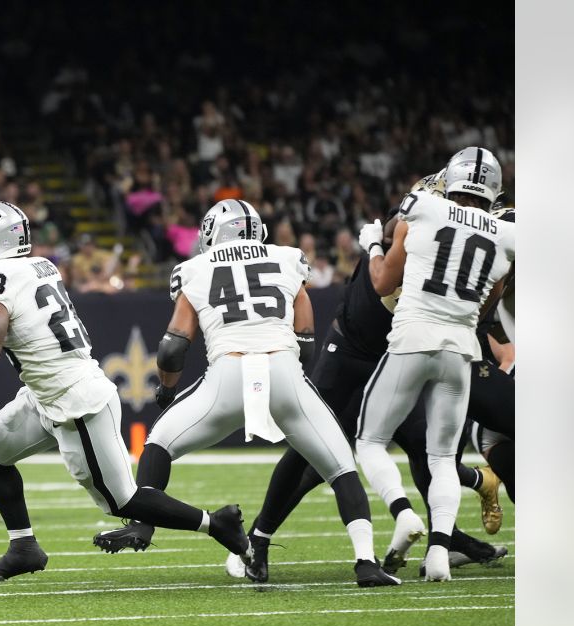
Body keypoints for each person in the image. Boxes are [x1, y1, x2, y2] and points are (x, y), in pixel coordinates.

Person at [0, 201, 251, 583]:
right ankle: (23, 547)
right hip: (45, 392)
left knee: (124, 501)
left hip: (72, 399)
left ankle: (218, 524)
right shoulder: (39, 265)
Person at [214, 172, 510, 583]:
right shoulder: (430, 212)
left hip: (395, 353)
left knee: (421, 448)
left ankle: (447, 537)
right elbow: (392, 241)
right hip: (355, 348)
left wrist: (376, 241)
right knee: (311, 451)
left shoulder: (444, 228)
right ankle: (256, 541)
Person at [90, 200, 399, 587]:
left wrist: (167, 390)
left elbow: (173, 347)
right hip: (284, 369)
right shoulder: (288, 258)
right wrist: (292, 381)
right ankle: (366, 561)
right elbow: (305, 337)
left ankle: (144, 524)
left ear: (213, 233)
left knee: (160, 443)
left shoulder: (195, 269)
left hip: (229, 374)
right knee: (340, 468)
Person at [354, 147, 515, 581]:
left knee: (369, 442)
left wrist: (372, 244)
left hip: (412, 335)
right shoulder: (505, 234)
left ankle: (403, 513)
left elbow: (384, 279)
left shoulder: (423, 206)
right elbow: (488, 306)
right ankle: (441, 555)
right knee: (444, 457)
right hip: (460, 347)